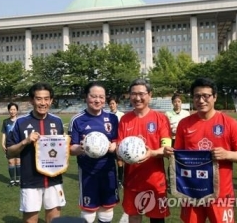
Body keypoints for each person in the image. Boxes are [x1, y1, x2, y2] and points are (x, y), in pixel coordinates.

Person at [164, 77, 237, 223]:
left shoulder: (230, 123)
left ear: (215, 97)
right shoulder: (184, 124)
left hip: (221, 194)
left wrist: (226, 154)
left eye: (206, 96)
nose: (201, 100)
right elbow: (178, 155)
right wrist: (170, 153)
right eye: (197, 96)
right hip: (192, 192)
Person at [6, 82, 66, 223]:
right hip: (30, 180)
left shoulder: (57, 122)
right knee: (30, 221)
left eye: (46, 99)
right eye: (39, 99)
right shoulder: (20, 122)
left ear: (51, 100)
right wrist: (25, 142)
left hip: (54, 179)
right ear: (31, 100)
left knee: (54, 220)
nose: (43, 103)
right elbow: (9, 153)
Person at [117, 79, 171, 223]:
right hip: (132, 180)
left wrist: (152, 153)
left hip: (155, 180)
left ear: (150, 95)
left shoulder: (161, 118)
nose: (137, 98)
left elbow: (167, 148)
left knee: (157, 219)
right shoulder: (124, 120)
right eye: (133, 94)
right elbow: (119, 146)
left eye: (141, 94)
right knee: (134, 217)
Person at [69, 82, 119, 223]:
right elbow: (71, 149)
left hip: (108, 169)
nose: (98, 100)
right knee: (88, 209)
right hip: (87, 171)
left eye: (101, 97)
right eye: (93, 96)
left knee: (107, 208)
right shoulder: (77, 120)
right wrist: (81, 148)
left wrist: (113, 146)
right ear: (86, 97)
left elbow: (117, 142)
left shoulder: (112, 118)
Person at [1, 102, 21, 186]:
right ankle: (12, 180)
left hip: (19, 144)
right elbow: (4, 133)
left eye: (14, 109)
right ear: (9, 111)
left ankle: (18, 180)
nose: (12, 111)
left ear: (17, 111)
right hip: (9, 144)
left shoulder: (20, 121)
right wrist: (2, 143)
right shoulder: (5, 121)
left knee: (18, 162)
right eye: (11, 110)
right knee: (11, 162)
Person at [107, 96, 125, 189]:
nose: (112, 105)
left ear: (116, 104)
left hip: (119, 140)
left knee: (120, 161)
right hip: (109, 141)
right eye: (110, 104)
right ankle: (111, 179)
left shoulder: (121, 115)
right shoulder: (106, 115)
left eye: (113, 103)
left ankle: (120, 180)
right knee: (110, 161)